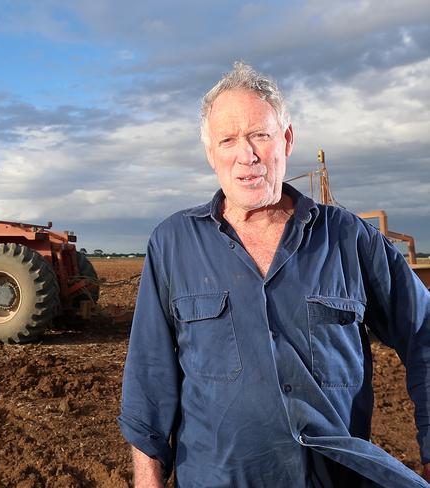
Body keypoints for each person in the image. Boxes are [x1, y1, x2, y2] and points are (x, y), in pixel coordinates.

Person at [118, 61, 430, 487]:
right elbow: (148, 379)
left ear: (286, 139)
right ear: (211, 153)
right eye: (228, 139)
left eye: (259, 135)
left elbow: (424, 333)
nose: (246, 155)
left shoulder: (348, 239)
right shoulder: (173, 243)